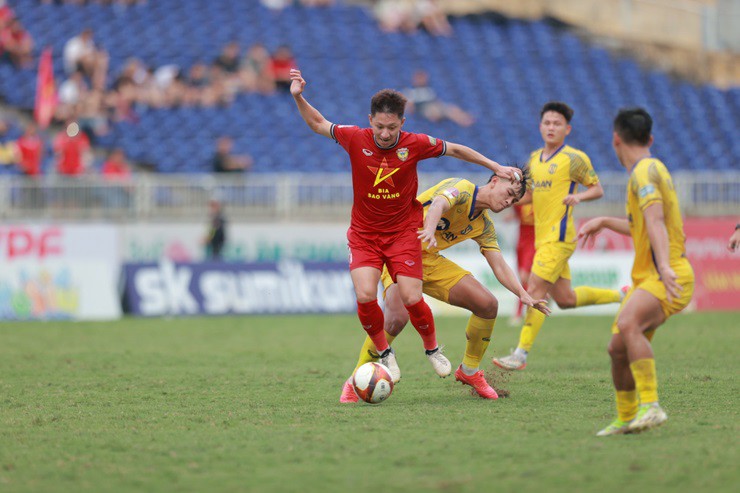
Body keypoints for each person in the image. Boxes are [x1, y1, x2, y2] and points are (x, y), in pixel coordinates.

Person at [290, 68, 520, 384]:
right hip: (366, 236)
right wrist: (299, 96)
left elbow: (454, 148)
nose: (385, 134)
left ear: (403, 123)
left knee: (416, 300)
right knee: (369, 299)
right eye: (380, 127)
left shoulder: (414, 144)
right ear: (370, 120)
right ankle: (379, 359)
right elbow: (318, 123)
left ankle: (440, 354)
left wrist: (494, 165)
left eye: (392, 127)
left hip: (402, 236)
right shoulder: (355, 138)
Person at [340, 172, 550, 403]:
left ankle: (469, 371)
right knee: (396, 319)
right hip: (397, 250)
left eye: (514, 201)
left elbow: (499, 264)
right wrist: (429, 229)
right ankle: (353, 381)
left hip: (429, 261)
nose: (509, 202)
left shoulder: (484, 226)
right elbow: (440, 202)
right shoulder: (462, 188)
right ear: (495, 181)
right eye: (509, 193)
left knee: (488, 305)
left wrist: (523, 295)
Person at [579, 107, 694, 435]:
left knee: (629, 324)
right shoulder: (652, 169)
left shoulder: (643, 173)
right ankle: (627, 417)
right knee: (617, 349)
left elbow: (655, 221)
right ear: (650, 138)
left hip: (665, 274)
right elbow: (641, 225)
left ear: (616, 139)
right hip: (653, 275)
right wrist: (603, 221)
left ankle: (651, 405)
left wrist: (666, 267)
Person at [493, 102, 623, 371]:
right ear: (540, 127)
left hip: (560, 237)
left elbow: (597, 189)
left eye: (557, 123)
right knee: (565, 299)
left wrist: (579, 196)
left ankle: (520, 354)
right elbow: (530, 195)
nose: (551, 127)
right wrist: (504, 200)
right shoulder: (534, 159)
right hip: (543, 237)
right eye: (547, 123)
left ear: (567, 129)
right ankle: (622, 295)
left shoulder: (574, 158)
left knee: (535, 290)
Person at [405, 70, 474, 127]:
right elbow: (410, 108)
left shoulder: (428, 90)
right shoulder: (411, 92)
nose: (423, 80)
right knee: (434, 109)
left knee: (452, 107)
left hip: (435, 108)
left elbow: (435, 101)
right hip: (425, 111)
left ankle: (464, 119)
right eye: (420, 78)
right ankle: (463, 120)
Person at [509, 203, 535, 326]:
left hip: (533, 243)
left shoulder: (541, 199)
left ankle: (518, 313)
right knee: (522, 279)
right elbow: (516, 211)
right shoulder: (520, 200)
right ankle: (544, 292)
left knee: (524, 277)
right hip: (521, 243)